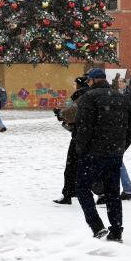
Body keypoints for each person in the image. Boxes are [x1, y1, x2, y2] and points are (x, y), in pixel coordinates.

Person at [73, 68, 131, 241]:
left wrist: (81, 149)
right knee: (112, 193)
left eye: (89, 81)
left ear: (93, 80)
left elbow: (83, 127)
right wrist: (121, 147)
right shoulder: (121, 97)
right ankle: (116, 231)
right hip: (114, 154)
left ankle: (97, 226)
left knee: (82, 187)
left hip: (93, 154)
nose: (88, 83)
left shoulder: (88, 98)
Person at [54, 75, 91, 204]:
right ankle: (101, 193)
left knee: (72, 165)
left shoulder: (80, 95)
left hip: (80, 135)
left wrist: (60, 113)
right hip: (92, 136)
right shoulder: (92, 94)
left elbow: (70, 112)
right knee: (90, 166)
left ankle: (68, 193)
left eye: (76, 84)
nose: (74, 87)